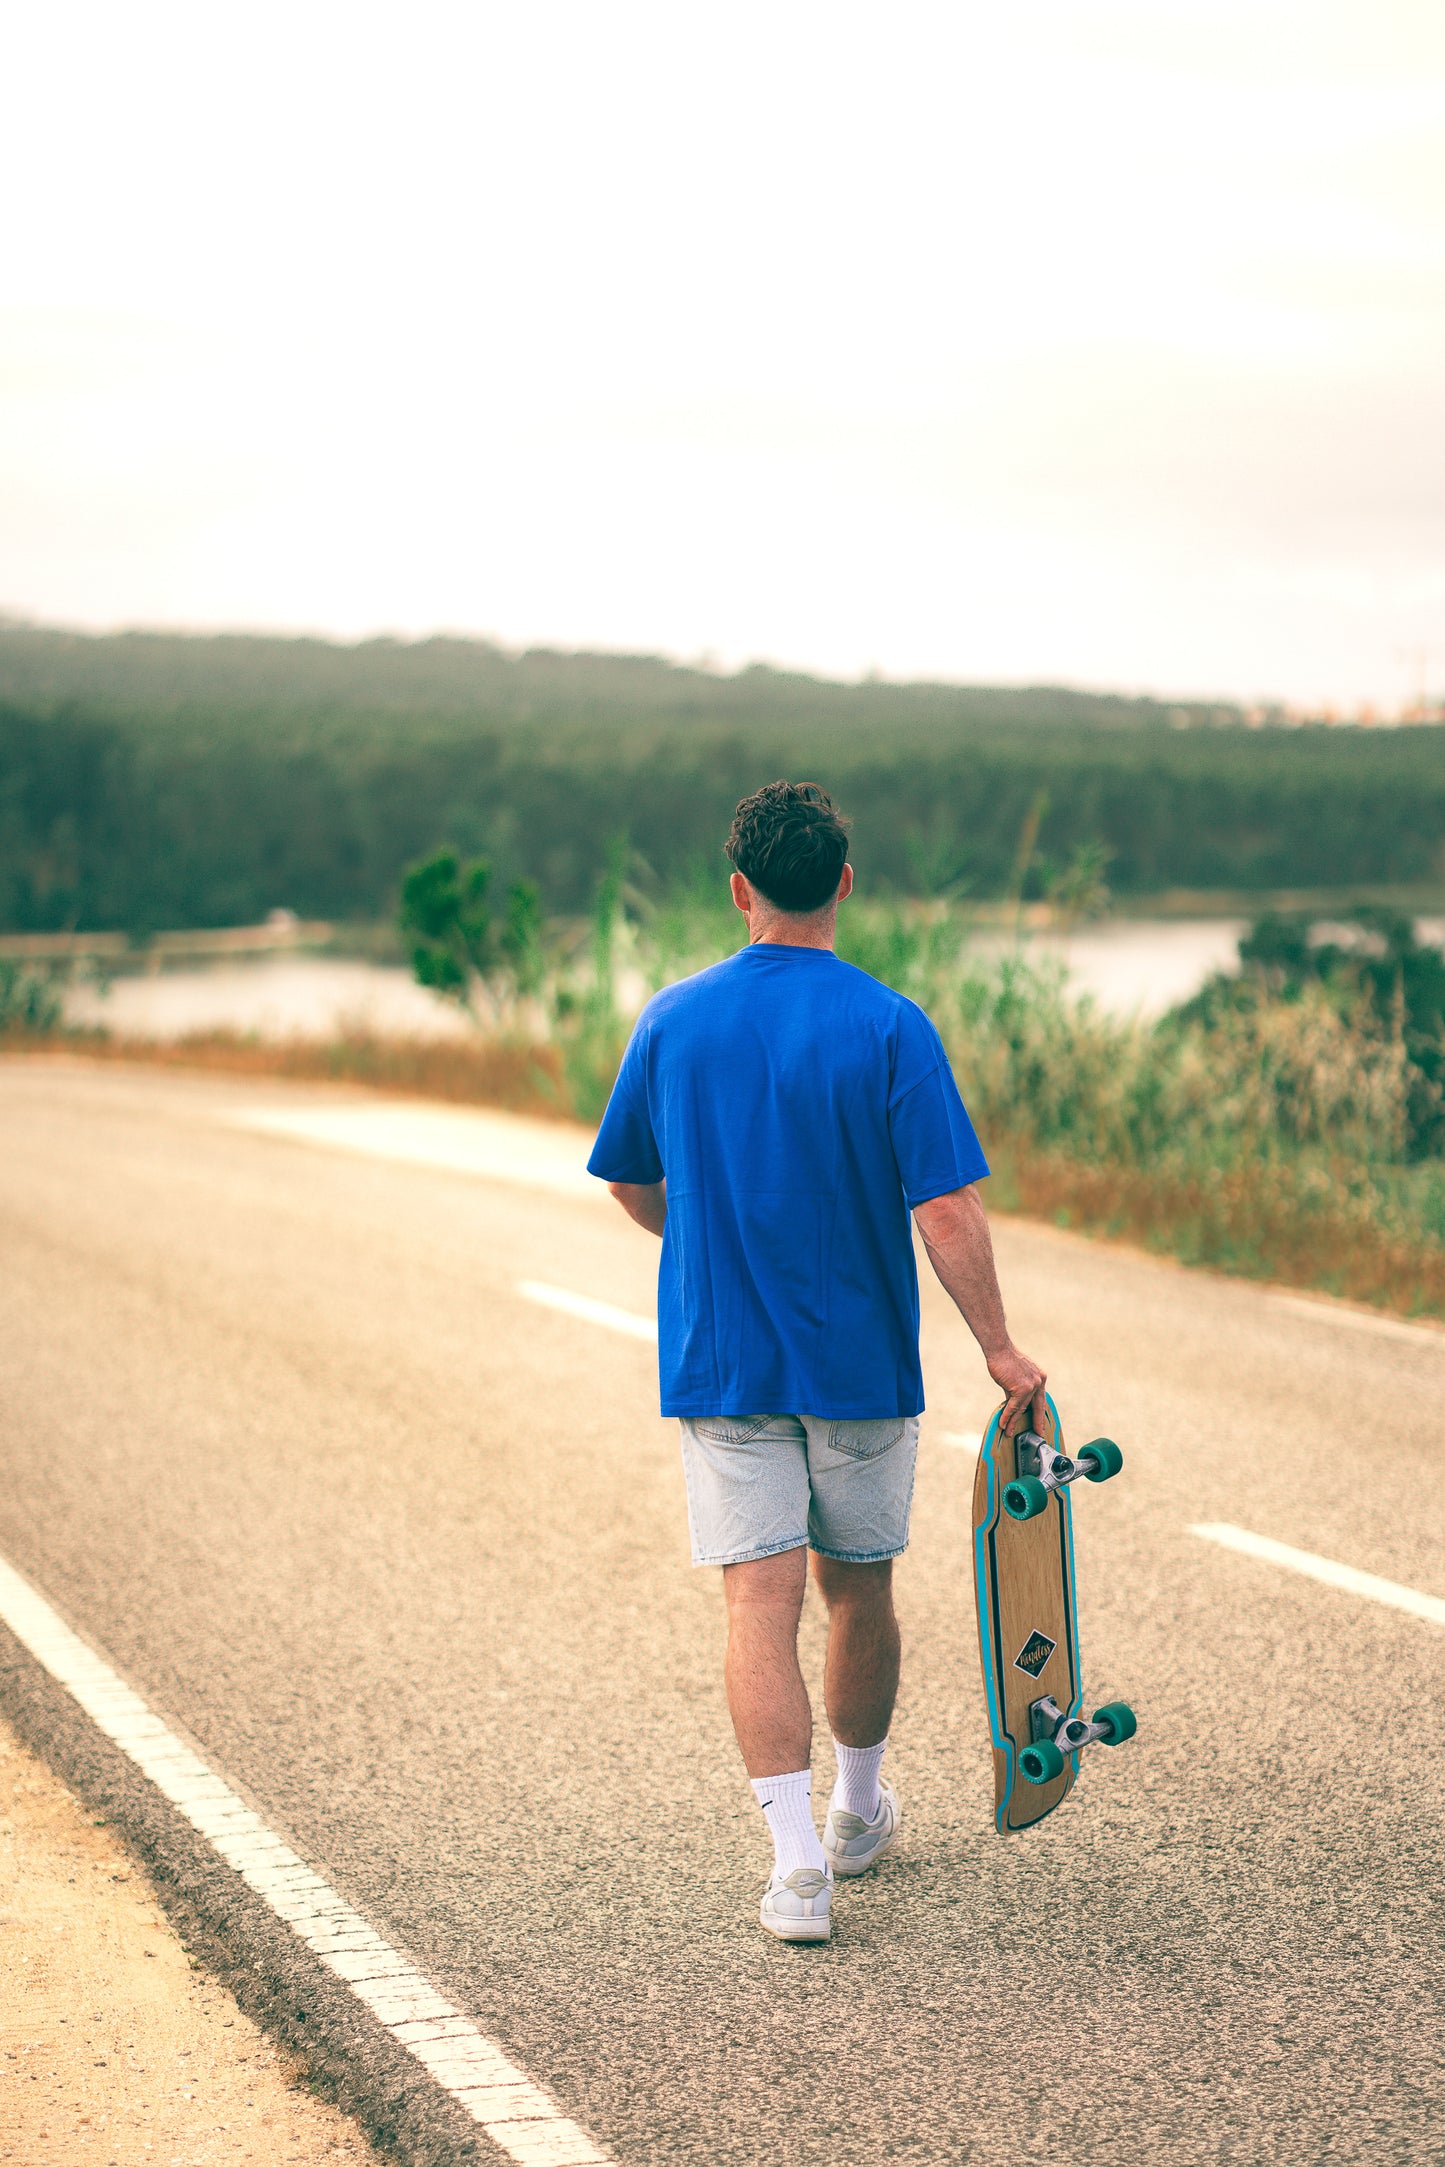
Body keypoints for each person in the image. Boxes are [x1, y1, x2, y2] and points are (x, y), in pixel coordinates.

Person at [587, 780, 1046, 1943]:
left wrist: (695, 1237)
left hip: (724, 1362)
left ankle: (797, 1871)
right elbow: (944, 1207)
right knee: (858, 1588)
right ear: (843, 883)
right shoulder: (889, 1024)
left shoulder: (671, 1020)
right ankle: (853, 1810)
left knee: (758, 1600)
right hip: (859, 1370)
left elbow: (631, 1182)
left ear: (738, 889)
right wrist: (996, 1346)